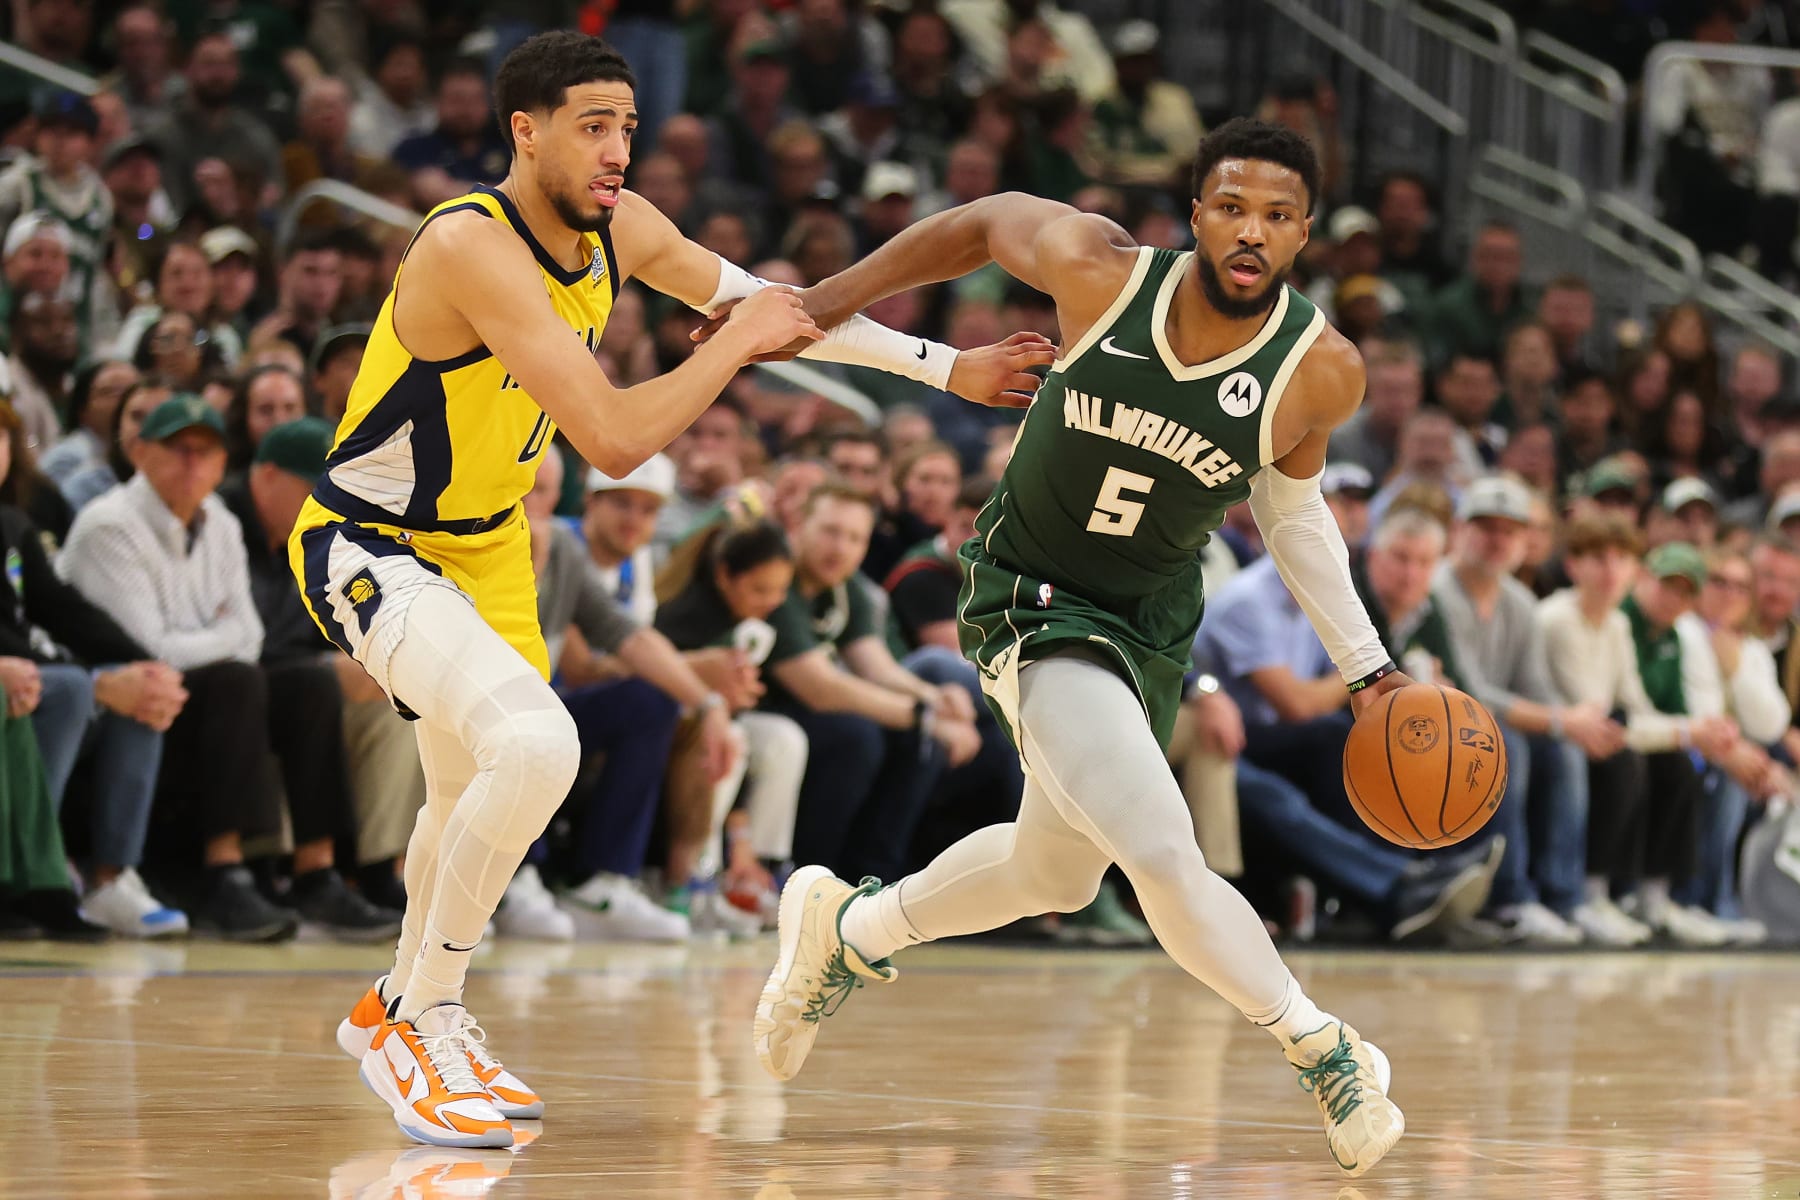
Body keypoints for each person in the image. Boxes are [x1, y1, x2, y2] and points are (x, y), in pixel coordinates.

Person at [299, 31, 1051, 1150]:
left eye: (628, 127)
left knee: (463, 794)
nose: (617, 150)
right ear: (527, 131)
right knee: (536, 750)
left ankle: (396, 1010)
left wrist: (949, 369)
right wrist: (732, 348)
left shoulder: (626, 227)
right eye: (594, 127)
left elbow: (784, 305)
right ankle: (428, 1013)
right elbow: (610, 437)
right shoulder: (470, 245)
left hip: (491, 542)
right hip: (372, 542)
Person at [744, 119, 1417, 1178]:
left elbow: (1291, 513)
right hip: (1032, 594)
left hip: (1147, 625)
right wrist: (828, 303)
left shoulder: (1319, 369)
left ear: (1304, 235)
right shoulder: (1099, 271)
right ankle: (1320, 1046)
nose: (1251, 232)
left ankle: (850, 931)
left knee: (1053, 871)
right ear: (1195, 213)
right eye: (1231, 207)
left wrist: (1368, 667)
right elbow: (973, 223)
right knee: (1161, 851)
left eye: (1277, 217)